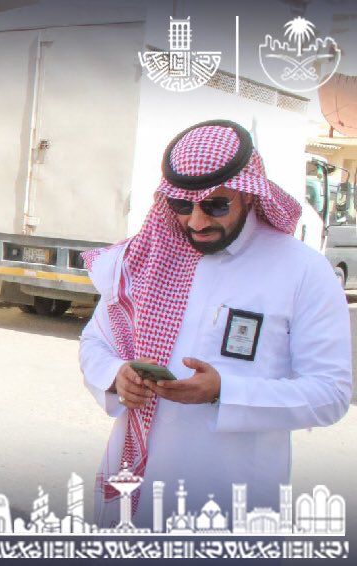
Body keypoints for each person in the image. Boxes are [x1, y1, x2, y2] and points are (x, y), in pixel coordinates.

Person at [79, 119, 352, 528]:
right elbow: (94, 342)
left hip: (232, 501)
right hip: (135, 494)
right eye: (181, 205)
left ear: (248, 193)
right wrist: (116, 375)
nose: (196, 222)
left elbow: (330, 393)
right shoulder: (148, 257)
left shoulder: (302, 271)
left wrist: (225, 392)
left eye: (216, 205)